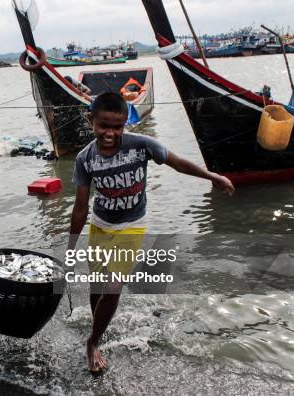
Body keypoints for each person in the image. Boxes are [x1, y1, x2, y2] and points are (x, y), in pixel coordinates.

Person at [68, 92, 234, 373]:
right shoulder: (85, 159)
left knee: (112, 285)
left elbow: (177, 162)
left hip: (132, 225)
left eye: (117, 127)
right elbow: (81, 206)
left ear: (125, 124)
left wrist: (212, 176)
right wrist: (71, 245)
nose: (110, 133)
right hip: (100, 224)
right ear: (91, 121)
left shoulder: (141, 145)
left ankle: (92, 342)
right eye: (103, 126)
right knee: (97, 285)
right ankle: (98, 325)